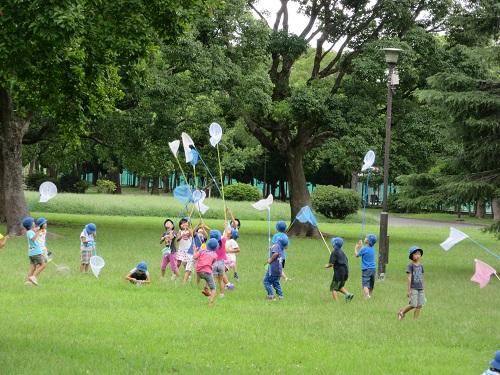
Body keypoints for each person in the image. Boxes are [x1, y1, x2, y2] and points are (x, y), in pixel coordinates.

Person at [398, 246, 425, 320]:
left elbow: (421, 277)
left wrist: (423, 287)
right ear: (411, 256)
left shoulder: (421, 266)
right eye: (415, 254)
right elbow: (409, 278)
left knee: (419, 305)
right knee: (413, 304)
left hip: (420, 288)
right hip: (413, 288)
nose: (417, 255)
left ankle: (415, 320)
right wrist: (409, 290)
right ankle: (402, 312)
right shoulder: (410, 266)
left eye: (419, 254)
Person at [325, 237, 354, 302]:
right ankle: (348, 294)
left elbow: (331, 264)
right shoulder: (342, 252)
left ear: (334, 244)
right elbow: (346, 260)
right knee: (340, 286)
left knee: (333, 288)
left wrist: (327, 266)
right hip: (345, 272)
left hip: (339, 273)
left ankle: (336, 302)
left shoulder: (334, 252)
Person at [194, 238, 218, 306]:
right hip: (207, 272)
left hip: (198, 272)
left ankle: (205, 289)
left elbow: (195, 257)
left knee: (209, 277)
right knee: (213, 288)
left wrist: (195, 251)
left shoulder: (202, 251)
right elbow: (213, 262)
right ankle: (211, 303)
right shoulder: (214, 255)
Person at [210, 229, 234, 298]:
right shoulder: (223, 240)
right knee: (220, 280)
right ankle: (222, 294)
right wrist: (226, 227)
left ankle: (212, 293)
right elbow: (226, 234)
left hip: (214, 263)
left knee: (213, 280)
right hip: (221, 263)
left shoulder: (211, 244)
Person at [22, 217, 46, 286]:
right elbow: (33, 238)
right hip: (36, 252)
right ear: (30, 225)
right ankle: (33, 277)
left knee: (33, 268)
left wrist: (39, 229)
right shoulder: (29, 232)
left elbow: (36, 230)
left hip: (32, 253)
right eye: (33, 222)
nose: (34, 223)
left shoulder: (31, 231)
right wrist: (38, 232)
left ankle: (28, 282)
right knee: (43, 265)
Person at [263, 235, 288, 300]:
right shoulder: (281, 249)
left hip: (273, 269)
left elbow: (275, 254)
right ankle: (281, 296)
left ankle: (271, 295)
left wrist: (270, 260)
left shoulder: (276, 246)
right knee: (276, 283)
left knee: (266, 281)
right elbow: (276, 251)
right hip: (278, 270)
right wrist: (271, 249)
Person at [354, 234, 377, 299]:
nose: (365, 238)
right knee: (371, 283)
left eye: (366, 238)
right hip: (373, 269)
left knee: (365, 284)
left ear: (368, 241)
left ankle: (367, 296)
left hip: (366, 269)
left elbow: (357, 255)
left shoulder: (364, 249)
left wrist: (356, 248)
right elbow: (365, 249)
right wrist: (361, 246)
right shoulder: (373, 248)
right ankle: (370, 295)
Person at [176, 218, 194, 283]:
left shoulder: (189, 230)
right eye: (182, 223)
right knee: (178, 263)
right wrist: (181, 235)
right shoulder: (180, 231)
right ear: (180, 225)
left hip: (187, 250)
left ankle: (189, 276)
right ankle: (175, 274)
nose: (183, 224)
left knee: (185, 264)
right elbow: (177, 239)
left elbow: (192, 235)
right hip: (181, 250)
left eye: (185, 223)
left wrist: (188, 227)